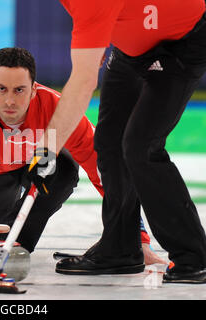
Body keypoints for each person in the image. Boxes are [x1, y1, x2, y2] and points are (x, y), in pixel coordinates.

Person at [0, 47, 165, 273]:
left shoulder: (57, 108)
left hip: (40, 168)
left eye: (19, 90)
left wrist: (137, 238)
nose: (9, 101)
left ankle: (17, 241)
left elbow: (107, 171)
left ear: (34, 89)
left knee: (64, 170)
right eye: (1, 89)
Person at [26, 0, 206, 283]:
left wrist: (47, 148)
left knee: (140, 147)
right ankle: (120, 249)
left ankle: (193, 257)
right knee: (109, 142)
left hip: (183, 41)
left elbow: (84, 82)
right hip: (131, 49)